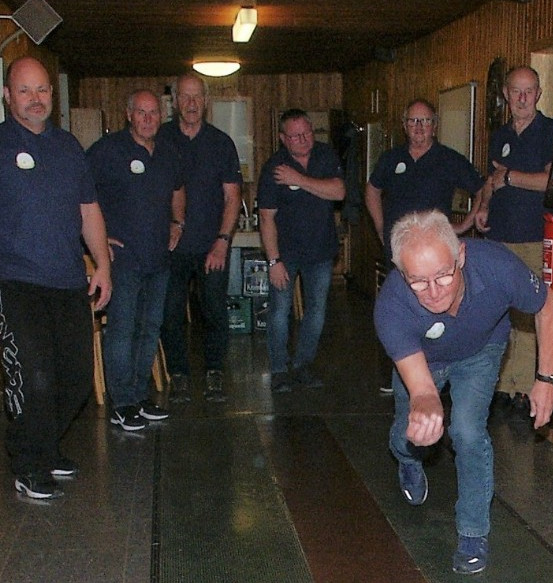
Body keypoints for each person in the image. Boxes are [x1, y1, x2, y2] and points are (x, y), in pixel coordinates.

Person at [0, 56, 112, 500]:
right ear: (6, 95)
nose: (35, 98)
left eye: (42, 90)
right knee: (34, 375)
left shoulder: (69, 148)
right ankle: (29, 463)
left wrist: (103, 266)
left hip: (66, 280)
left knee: (76, 379)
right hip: (13, 280)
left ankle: (44, 445)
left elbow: (89, 212)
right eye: (25, 90)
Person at [374, 210, 553, 575]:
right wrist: (425, 411)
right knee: (409, 433)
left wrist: (547, 379)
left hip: (481, 349)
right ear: (400, 272)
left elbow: (547, 304)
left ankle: (473, 534)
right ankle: (407, 459)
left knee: (468, 431)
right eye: (418, 282)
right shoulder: (391, 307)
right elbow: (423, 390)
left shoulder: (497, 267)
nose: (433, 291)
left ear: (460, 255)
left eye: (444, 275)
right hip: (424, 362)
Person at [367, 99, 484, 394]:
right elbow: (371, 191)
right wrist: (381, 228)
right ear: (405, 125)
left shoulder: (448, 159)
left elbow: (482, 188)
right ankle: (397, 375)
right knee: (397, 310)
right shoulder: (391, 159)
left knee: (438, 308)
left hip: (434, 257)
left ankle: (438, 373)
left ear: (434, 126)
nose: (419, 128)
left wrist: (465, 223)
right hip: (400, 253)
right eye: (413, 121)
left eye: (425, 121)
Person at [87, 89, 186, 431]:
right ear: (128, 114)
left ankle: (139, 395)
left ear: (162, 116)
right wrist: (96, 242)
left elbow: (178, 190)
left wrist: (177, 222)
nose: (148, 119)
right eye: (141, 112)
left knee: (149, 329)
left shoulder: (168, 153)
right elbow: (80, 195)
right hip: (123, 261)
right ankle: (122, 403)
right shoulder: (107, 151)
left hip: (158, 258)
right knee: (122, 331)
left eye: (154, 113)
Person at [473, 66, 553, 415]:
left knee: (529, 313)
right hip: (498, 237)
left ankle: (526, 389)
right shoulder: (500, 135)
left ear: (538, 94)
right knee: (497, 314)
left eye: (529, 91)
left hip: (532, 236)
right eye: (516, 91)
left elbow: (550, 181)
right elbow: (490, 180)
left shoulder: (551, 131)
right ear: (507, 96)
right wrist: (483, 205)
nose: (523, 98)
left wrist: (509, 177)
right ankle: (502, 386)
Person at [158, 73, 243, 403]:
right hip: (171, 249)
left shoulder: (222, 144)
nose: (191, 103)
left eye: (197, 97)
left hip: (212, 248)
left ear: (205, 102)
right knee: (170, 313)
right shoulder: (160, 139)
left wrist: (222, 240)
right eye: (185, 97)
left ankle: (214, 372)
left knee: (214, 313)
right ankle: (178, 373)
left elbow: (232, 197)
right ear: (176, 101)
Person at [256, 109, 345, 393]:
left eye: (306, 133)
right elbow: (266, 217)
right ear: (283, 138)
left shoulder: (325, 156)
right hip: (286, 253)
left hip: (321, 251)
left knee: (316, 310)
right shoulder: (273, 167)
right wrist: (273, 261)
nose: (303, 140)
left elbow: (339, 192)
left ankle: (303, 364)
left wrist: (300, 179)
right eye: (295, 136)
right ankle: (280, 369)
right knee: (280, 311)